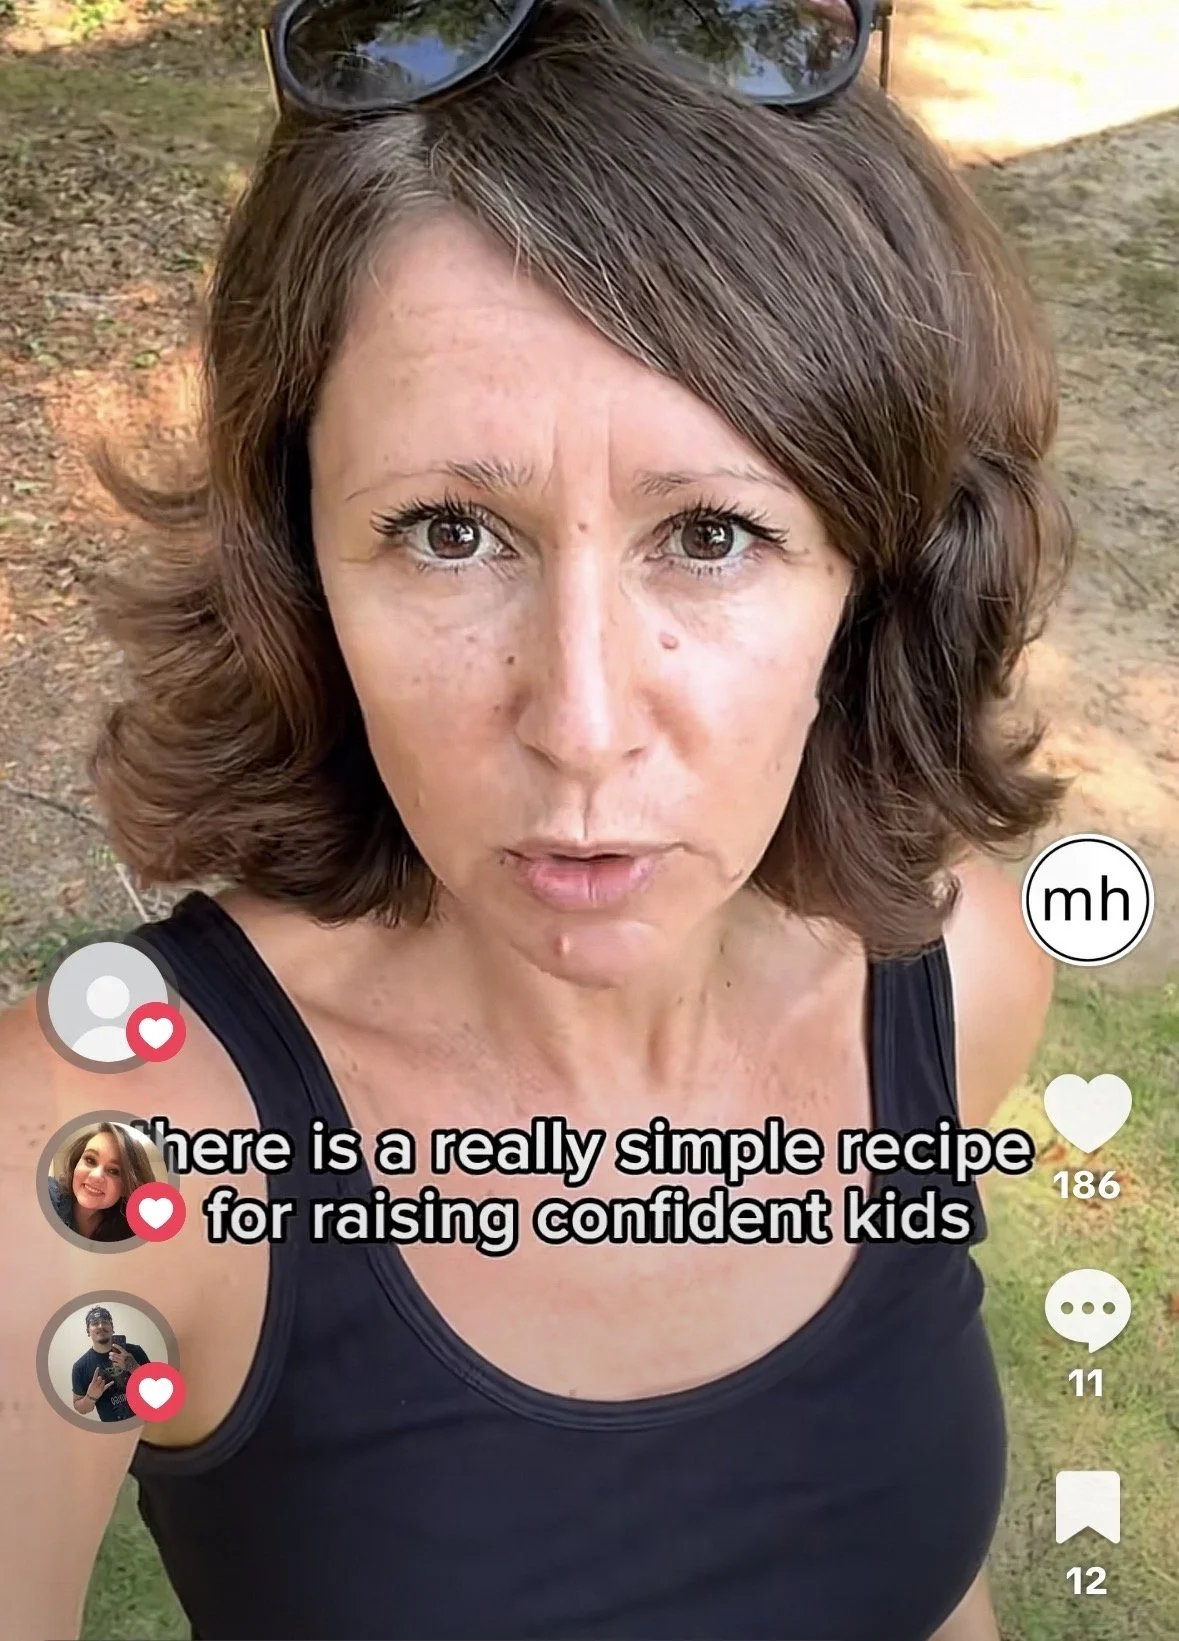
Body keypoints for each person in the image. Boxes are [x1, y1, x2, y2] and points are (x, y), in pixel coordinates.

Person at [8, 0, 1075, 1637]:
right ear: (300, 569)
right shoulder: (105, 1150)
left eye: (711, 535)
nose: (577, 724)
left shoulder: (958, 983)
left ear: (875, 578)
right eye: (448, 530)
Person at [48, 1123, 156, 1242]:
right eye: (90, 1160)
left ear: (126, 1188)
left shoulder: (129, 1230)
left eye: (114, 1171)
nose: (95, 1176)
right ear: (76, 1163)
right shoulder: (48, 1194)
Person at [70, 1308, 150, 1423]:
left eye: (105, 1322)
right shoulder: (80, 1367)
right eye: (95, 1323)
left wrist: (134, 1367)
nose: (100, 1326)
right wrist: (90, 1397)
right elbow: (81, 1408)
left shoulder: (135, 1351)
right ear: (88, 1331)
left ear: (112, 1328)